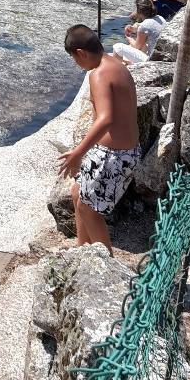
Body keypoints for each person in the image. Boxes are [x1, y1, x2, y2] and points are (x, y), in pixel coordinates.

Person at [58, 25, 140, 254]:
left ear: (81, 53)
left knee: (88, 209)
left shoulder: (99, 74)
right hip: (124, 151)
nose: (78, 65)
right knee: (78, 193)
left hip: (114, 155)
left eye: (75, 59)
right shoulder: (115, 64)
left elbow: (105, 119)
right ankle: (82, 251)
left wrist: (77, 153)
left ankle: (107, 265)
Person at [113, 0, 166, 65]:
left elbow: (136, 47)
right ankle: (127, 62)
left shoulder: (144, 26)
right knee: (141, 41)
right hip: (160, 55)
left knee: (118, 47)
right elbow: (145, 26)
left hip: (151, 60)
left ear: (139, 11)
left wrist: (128, 37)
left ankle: (117, 70)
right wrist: (132, 28)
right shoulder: (160, 18)